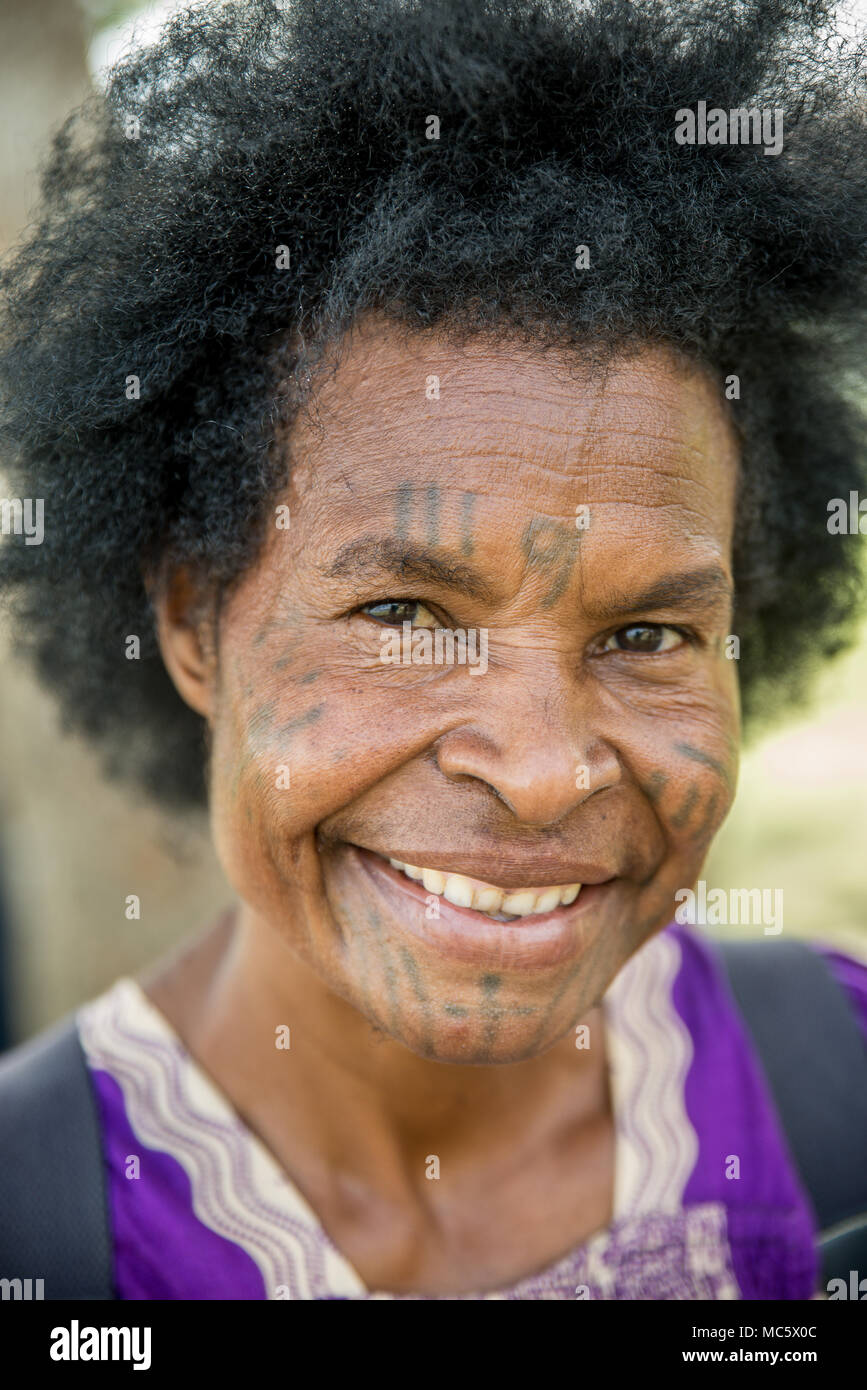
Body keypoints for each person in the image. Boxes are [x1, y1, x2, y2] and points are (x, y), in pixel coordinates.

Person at [0, 0, 866, 1301]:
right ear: (190, 617)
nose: (539, 768)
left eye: (648, 632)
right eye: (405, 615)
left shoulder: (838, 1081)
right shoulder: (37, 1226)